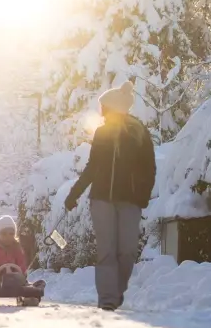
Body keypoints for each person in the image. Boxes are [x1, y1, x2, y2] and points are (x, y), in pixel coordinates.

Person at [64, 82, 156, 311]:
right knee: (106, 250)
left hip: (130, 199)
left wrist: (143, 195)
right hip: (102, 198)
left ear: (113, 107)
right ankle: (107, 298)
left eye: (103, 106)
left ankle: (117, 291)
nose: (101, 110)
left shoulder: (138, 131)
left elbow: (149, 167)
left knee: (126, 251)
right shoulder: (102, 133)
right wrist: (74, 193)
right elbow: (92, 167)